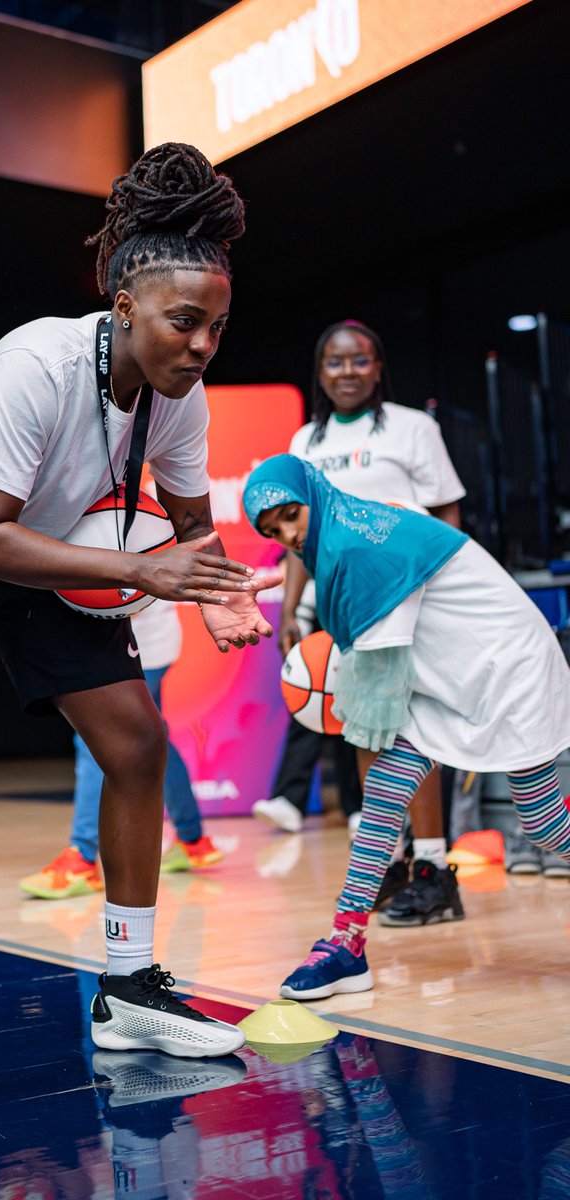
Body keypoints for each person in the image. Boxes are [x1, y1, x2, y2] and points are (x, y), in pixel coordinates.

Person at [0, 142, 281, 1126]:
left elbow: (189, 527)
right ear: (124, 307)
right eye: (186, 322)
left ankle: (129, 991)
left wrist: (219, 589)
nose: (203, 344)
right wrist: (144, 571)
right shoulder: (36, 364)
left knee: (136, 744)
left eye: (217, 326)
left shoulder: (178, 397)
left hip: (44, 551)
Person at [243, 454, 570, 1000]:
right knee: (385, 797)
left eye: (290, 515)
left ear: (311, 494)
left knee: (543, 826)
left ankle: (345, 944)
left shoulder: (355, 549)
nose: (290, 534)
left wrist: (331, 700)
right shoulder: (347, 526)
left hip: (509, 670)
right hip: (451, 674)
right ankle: (346, 944)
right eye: (274, 531)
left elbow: (376, 692)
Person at [257, 319, 467, 928]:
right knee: (362, 732)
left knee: (413, 733)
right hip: (343, 607)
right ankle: (395, 863)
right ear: (320, 373)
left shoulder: (413, 428)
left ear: (377, 367)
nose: (347, 372)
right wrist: (294, 612)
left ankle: (433, 869)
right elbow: (296, 538)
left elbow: (447, 513)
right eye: (335, 363)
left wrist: (448, 587)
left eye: (359, 361)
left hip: (411, 598)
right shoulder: (304, 443)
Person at [19, 600, 223, 899]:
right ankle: (193, 841)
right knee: (154, 739)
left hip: (139, 647)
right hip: (141, 643)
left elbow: (125, 596)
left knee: (95, 737)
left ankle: (82, 858)